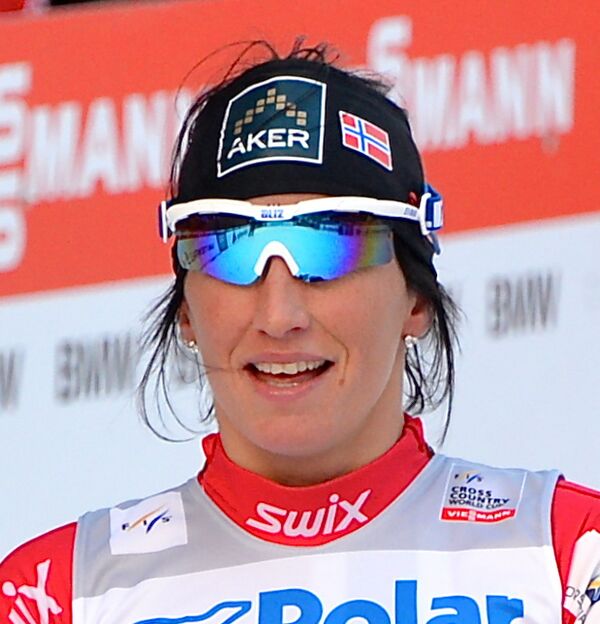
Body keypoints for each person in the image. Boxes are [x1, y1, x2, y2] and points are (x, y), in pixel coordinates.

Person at [1, 41, 599, 624]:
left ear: (415, 296)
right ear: (186, 310)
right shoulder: (58, 594)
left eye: (328, 246)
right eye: (230, 249)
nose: (278, 314)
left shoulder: (567, 557)